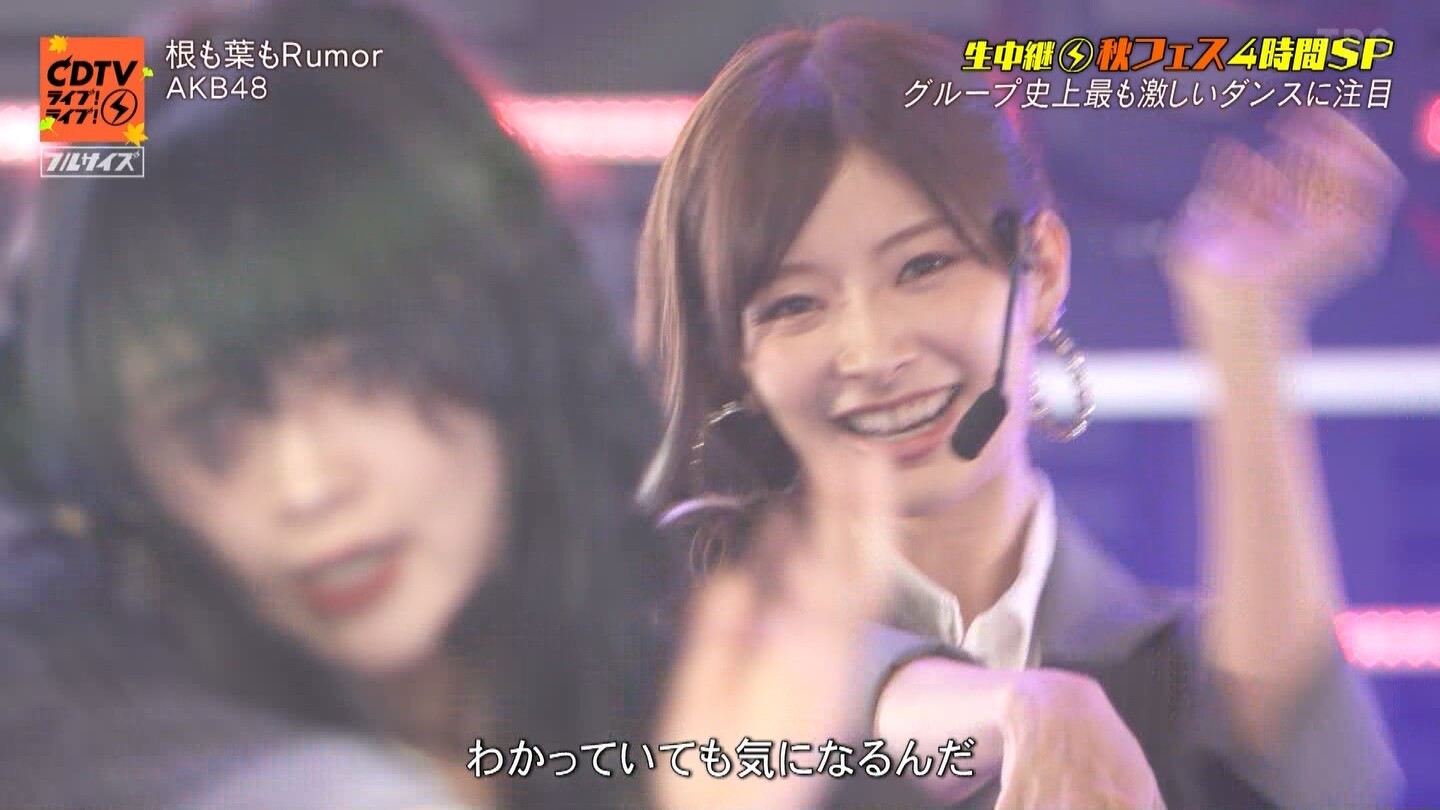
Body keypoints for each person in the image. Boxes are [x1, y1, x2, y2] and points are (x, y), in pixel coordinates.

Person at [19, 2, 912, 809]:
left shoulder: (739, 706)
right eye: (211, 426)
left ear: (513, 327)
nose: (307, 486)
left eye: (368, 370)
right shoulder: (93, 755)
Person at [634, 18, 1404, 810]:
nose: (872, 352)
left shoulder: (1171, 672)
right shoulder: (663, 636)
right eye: (795, 304)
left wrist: (1243, 320)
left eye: (923, 265)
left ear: (1041, 268)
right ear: (737, 356)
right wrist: (1003, 705)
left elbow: (1310, 775)